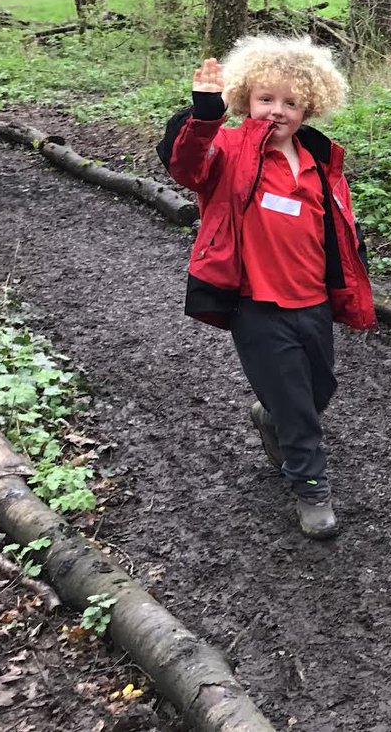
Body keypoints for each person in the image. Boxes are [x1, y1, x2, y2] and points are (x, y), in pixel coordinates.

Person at [156, 35, 376, 540]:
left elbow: (335, 233)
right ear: (246, 99)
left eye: (291, 102)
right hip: (256, 306)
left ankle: (270, 415)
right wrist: (205, 114)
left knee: (319, 390)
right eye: (266, 99)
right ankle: (310, 488)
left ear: (310, 106)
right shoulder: (229, 150)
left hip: (313, 302)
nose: (277, 110)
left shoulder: (321, 161)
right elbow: (188, 165)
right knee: (300, 408)